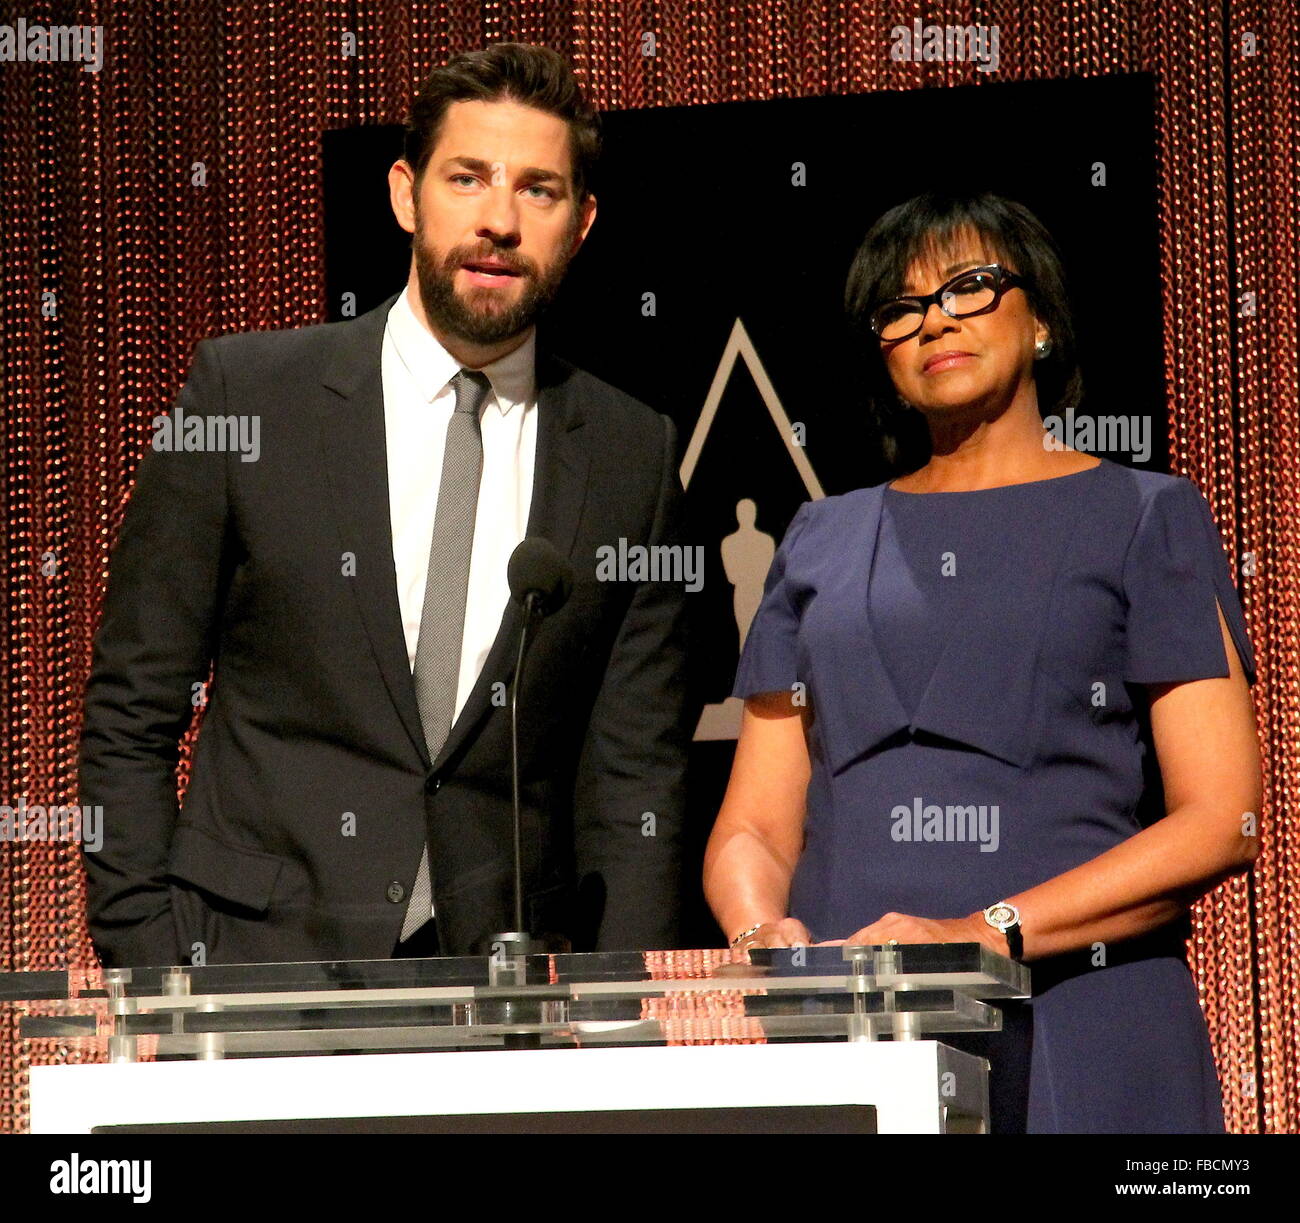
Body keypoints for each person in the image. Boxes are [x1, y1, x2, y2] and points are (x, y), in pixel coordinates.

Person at [79, 43, 697, 967]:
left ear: (583, 222)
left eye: (539, 189)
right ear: (407, 194)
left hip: (508, 997)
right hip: (249, 973)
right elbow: (134, 702)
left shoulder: (628, 451)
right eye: (468, 177)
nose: (499, 220)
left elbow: (634, 771)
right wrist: (148, 966)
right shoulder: (244, 395)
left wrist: (619, 1009)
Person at [703, 190, 1262, 1133]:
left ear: (1040, 316)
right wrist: (764, 936)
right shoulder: (819, 538)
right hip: (858, 1049)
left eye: (969, 286)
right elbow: (752, 826)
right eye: (904, 305)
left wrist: (984, 932)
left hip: (1085, 1028)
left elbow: (1221, 818)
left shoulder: (1145, 516)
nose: (937, 320)